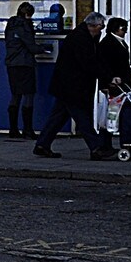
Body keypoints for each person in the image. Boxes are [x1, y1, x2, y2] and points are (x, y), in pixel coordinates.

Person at [33, 12, 111, 159]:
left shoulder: (87, 37)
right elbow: (88, 63)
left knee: (58, 117)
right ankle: (96, 147)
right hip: (72, 86)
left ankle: (42, 145)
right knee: (82, 117)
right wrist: (106, 77)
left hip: (68, 85)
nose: (101, 31)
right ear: (93, 26)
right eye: (100, 28)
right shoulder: (80, 39)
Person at [98, 16, 131, 147]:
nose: (125, 31)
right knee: (112, 114)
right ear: (115, 29)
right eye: (123, 28)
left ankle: (122, 142)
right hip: (114, 85)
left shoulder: (119, 42)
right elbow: (104, 66)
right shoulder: (108, 44)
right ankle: (105, 144)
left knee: (118, 113)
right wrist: (106, 82)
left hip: (122, 83)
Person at [3, 2, 39, 138]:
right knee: (29, 95)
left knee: (15, 95)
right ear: (27, 14)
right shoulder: (24, 25)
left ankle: (13, 129)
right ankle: (28, 130)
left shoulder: (10, 25)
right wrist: (43, 49)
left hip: (11, 64)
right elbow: (31, 45)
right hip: (24, 63)